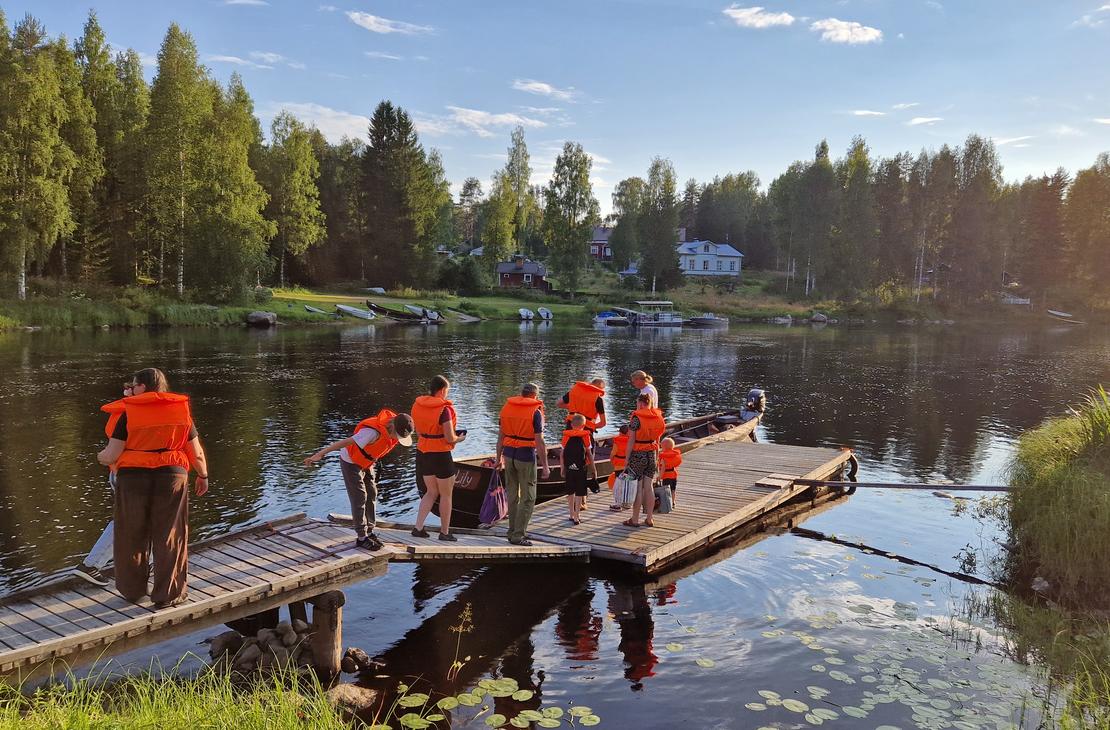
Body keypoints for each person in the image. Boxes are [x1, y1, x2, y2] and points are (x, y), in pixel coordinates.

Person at [96, 368, 208, 607]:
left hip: (133, 479)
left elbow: (112, 454)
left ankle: (133, 591)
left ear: (144, 387)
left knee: (131, 534)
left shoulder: (128, 414)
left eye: (134, 385)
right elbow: (196, 453)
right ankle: (168, 595)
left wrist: (100, 457)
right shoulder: (180, 412)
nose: (131, 389)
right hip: (171, 476)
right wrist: (203, 475)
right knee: (170, 535)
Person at [303, 409, 415, 551]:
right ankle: (362, 538)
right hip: (350, 461)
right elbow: (344, 442)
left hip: (367, 462)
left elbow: (375, 450)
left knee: (372, 493)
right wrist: (319, 454)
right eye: (398, 435)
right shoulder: (372, 433)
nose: (398, 439)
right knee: (359, 497)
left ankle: (370, 531)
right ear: (392, 427)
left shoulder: (392, 431)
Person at [72, 386, 132, 586]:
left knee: (137, 519)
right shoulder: (129, 413)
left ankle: (147, 564)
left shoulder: (121, 411)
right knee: (127, 520)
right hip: (128, 475)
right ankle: (91, 565)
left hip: (119, 473)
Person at [411, 375, 466, 542]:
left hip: (423, 453)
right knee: (446, 494)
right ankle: (444, 532)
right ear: (442, 390)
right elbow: (449, 438)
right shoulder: (444, 410)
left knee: (431, 491)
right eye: (447, 391)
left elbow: (418, 431)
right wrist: (460, 438)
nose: (447, 394)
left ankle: (418, 528)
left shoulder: (417, 405)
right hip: (441, 455)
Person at [496, 382, 550, 546]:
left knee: (512, 495)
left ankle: (511, 531)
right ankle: (519, 535)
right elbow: (539, 441)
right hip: (525, 456)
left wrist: (498, 458)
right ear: (535, 395)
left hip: (508, 454)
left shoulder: (506, 408)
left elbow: (500, 437)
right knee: (528, 497)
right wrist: (545, 465)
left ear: (522, 393)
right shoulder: (535, 411)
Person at [558, 378, 606, 510]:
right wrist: (591, 425)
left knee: (569, 459)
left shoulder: (575, 391)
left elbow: (559, 403)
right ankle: (583, 500)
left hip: (570, 428)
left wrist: (574, 410)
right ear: (599, 389)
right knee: (584, 462)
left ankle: (571, 495)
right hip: (585, 431)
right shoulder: (598, 399)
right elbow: (603, 423)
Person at [620, 393, 665, 528]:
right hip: (651, 453)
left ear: (640, 403)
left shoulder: (636, 418)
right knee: (649, 486)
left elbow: (631, 440)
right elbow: (658, 439)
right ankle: (649, 518)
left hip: (638, 455)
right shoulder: (658, 417)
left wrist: (626, 459)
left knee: (638, 488)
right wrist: (657, 456)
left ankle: (634, 519)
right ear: (650, 403)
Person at [561, 414, 598, 525]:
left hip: (569, 469)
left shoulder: (566, 436)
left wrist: (562, 468)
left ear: (571, 424)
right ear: (584, 425)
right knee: (579, 492)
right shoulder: (585, 436)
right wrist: (594, 469)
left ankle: (571, 514)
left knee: (570, 492)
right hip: (581, 468)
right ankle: (577, 516)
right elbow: (589, 454)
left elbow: (562, 454)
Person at [607, 425, 631, 510]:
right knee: (627, 485)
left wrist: (611, 459)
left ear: (620, 432)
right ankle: (627, 503)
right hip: (628, 467)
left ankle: (618, 504)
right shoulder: (631, 441)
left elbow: (613, 452)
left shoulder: (617, 441)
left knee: (619, 486)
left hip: (618, 467)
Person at [657, 437, 683, 507]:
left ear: (663, 447)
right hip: (674, 474)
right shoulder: (674, 455)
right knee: (673, 489)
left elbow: (663, 468)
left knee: (666, 490)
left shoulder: (663, 457)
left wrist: (660, 476)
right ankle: (673, 502)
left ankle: (667, 503)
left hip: (666, 476)